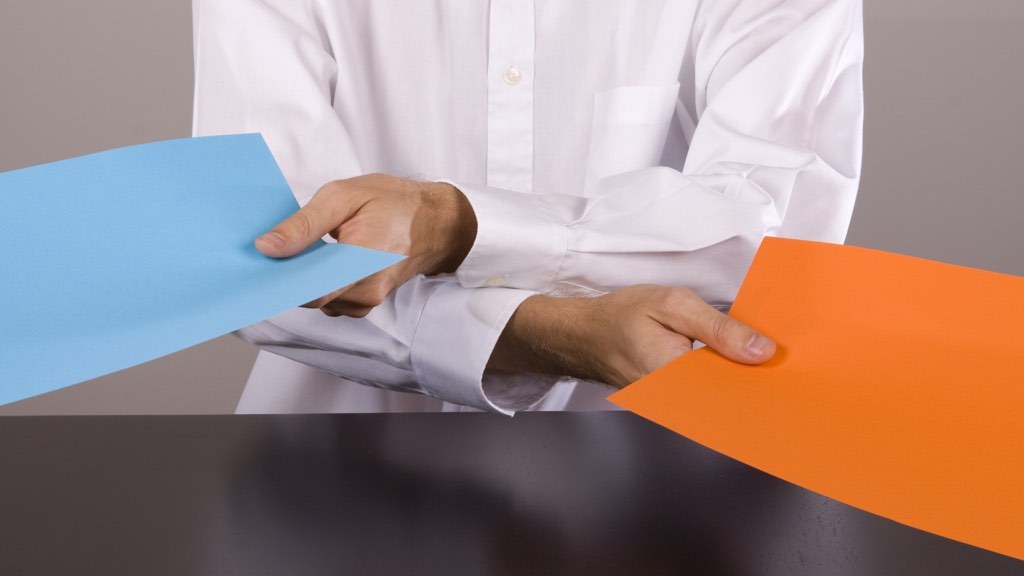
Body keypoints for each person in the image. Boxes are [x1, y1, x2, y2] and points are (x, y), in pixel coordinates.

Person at [191, 0, 863, 414]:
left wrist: (461, 228)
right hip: (324, 495)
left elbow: (766, 229)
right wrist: (548, 333)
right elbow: (265, 261)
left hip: (666, 497)